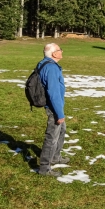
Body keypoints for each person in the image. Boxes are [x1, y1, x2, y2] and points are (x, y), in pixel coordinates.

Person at [37, 43, 69, 177]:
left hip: (55, 106)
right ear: (54, 54)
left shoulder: (45, 63)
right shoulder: (51, 68)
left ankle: (55, 157)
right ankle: (45, 168)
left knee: (61, 130)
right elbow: (53, 92)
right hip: (53, 107)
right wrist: (59, 113)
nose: (61, 51)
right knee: (52, 137)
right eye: (59, 49)